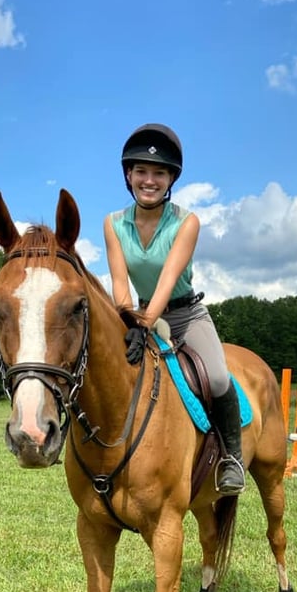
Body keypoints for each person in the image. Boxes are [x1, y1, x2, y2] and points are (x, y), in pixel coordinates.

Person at [103, 123, 246, 495]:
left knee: (218, 378)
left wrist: (145, 324)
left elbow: (168, 279)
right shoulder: (113, 224)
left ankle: (231, 458)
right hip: (138, 316)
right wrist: (129, 321)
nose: (149, 180)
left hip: (185, 315)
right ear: (128, 175)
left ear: (171, 180)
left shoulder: (187, 222)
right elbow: (120, 283)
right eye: (141, 171)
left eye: (159, 173)